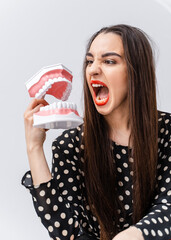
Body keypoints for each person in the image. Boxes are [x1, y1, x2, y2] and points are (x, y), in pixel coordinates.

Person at [22, 24, 171, 240]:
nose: (93, 69)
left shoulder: (167, 132)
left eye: (109, 61)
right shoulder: (70, 145)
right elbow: (68, 231)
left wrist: (130, 236)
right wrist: (34, 147)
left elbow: (167, 208)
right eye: (90, 61)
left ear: (136, 72)